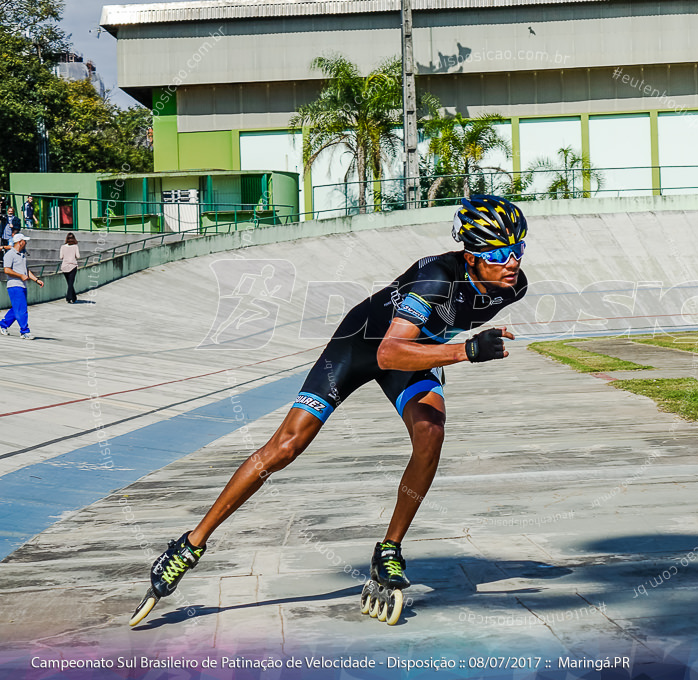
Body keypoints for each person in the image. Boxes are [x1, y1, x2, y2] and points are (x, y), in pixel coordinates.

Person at [134, 195, 529, 623]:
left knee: (431, 434)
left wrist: (449, 350)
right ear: (471, 256)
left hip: (412, 352)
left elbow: (422, 343)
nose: (513, 263)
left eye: (519, 249)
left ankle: (389, 550)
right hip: (360, 348)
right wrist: (465, 351)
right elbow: (389, 352)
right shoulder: (435, 278)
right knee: (285, 447)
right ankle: (189, 544)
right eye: (502, 254)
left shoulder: (513, 286)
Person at [1, 234, 44, 340]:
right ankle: (24, 331)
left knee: (17, 308)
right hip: (14, 285)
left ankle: (3, 325)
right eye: (25, 241)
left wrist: (36, 280)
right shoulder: (9, 254)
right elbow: (7, 270)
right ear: (20, 242)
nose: (26, 242)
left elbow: (26, 270)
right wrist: (20, 276)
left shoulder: (22, 255)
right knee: (22, 309)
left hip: (22, 285)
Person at [59, 233, 81, 303]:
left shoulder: (62, 247)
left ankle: (74, 297)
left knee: (69, 283)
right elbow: (78, 256)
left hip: (64, 266)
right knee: (71, 283)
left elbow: (61, 257)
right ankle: (68, 297)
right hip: (73, 266)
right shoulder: (75, 247)